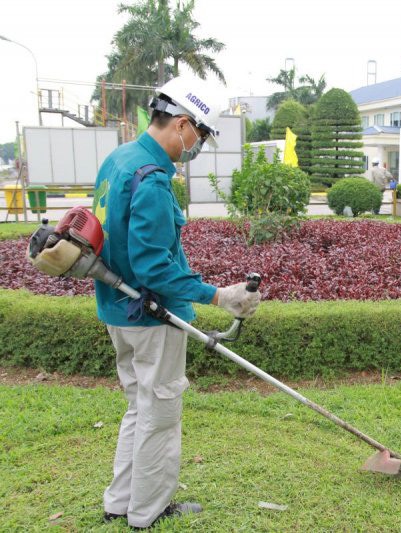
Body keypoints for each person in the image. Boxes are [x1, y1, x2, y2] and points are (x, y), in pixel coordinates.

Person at [92, 76, 261, 529]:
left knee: (138, 407)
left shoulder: (119, 159)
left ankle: (120, 502)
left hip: (117, 310)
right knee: (160, 413)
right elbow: (153, 267)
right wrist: (218, 295)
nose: (197, 146)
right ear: (183, 124)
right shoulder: (150, 178)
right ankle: (147, 513)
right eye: (200, 136)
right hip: (148, 317)